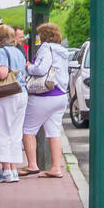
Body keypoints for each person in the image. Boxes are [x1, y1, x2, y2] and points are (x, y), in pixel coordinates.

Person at [21, 22, 72, 178]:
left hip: (45, 95)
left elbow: (41, 69)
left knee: (28, 130)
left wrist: (29, 66)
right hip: (61, 96)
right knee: (53, 131)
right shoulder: (63, 51)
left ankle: (32, 165)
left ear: (44, 36)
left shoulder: (46, 48)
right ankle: (56, 168)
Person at [0, 24, 28, 183]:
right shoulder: (18, 52)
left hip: (7, 95)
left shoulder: (1, 52)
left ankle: (6, 170)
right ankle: (14, 170)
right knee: (15, 134)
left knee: (2, 132)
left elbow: (2, 73)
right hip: (21, 93)